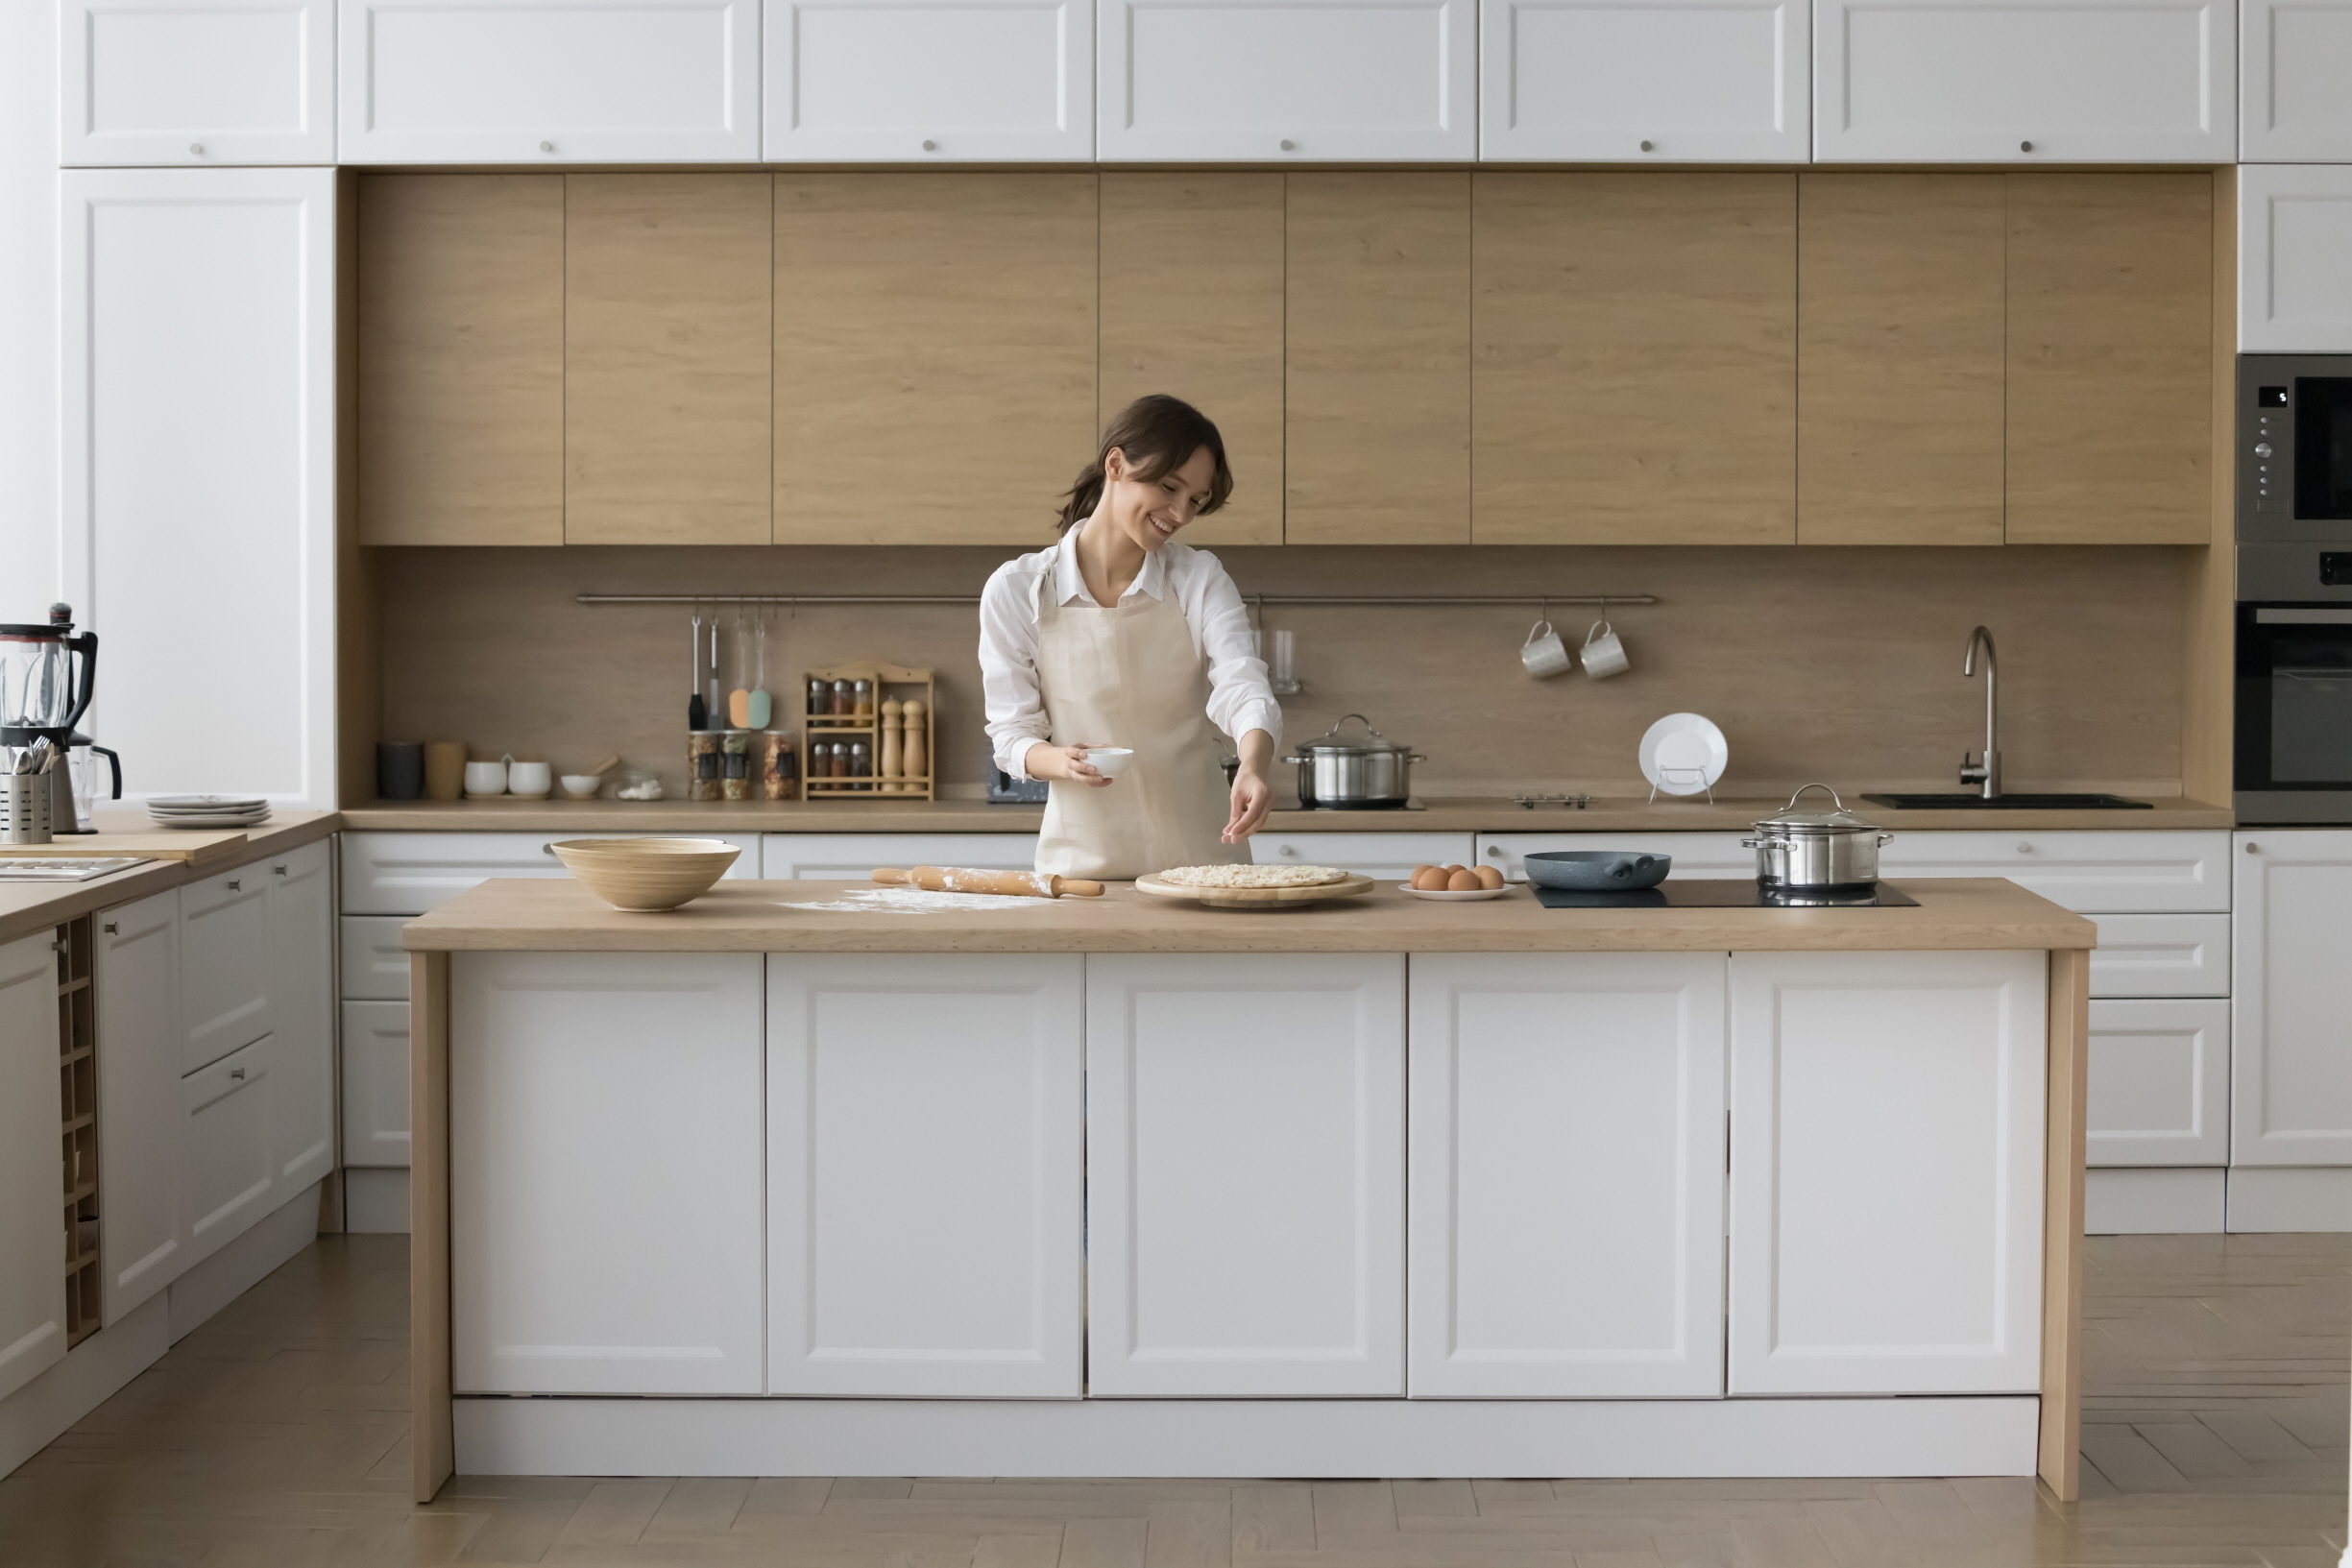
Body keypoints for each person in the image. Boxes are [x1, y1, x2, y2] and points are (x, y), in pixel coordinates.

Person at [980, 395, 1281, 880]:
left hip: (1205, 864)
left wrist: (1253, 763)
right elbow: (1012, 735)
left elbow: (1241, 684)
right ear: (1115, 464)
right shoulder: (1019, 590)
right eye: (1169, 486)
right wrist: (1061, 761)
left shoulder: (1198, 578)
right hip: (1081, 875)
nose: (1180, 512)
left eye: (1195, 500)